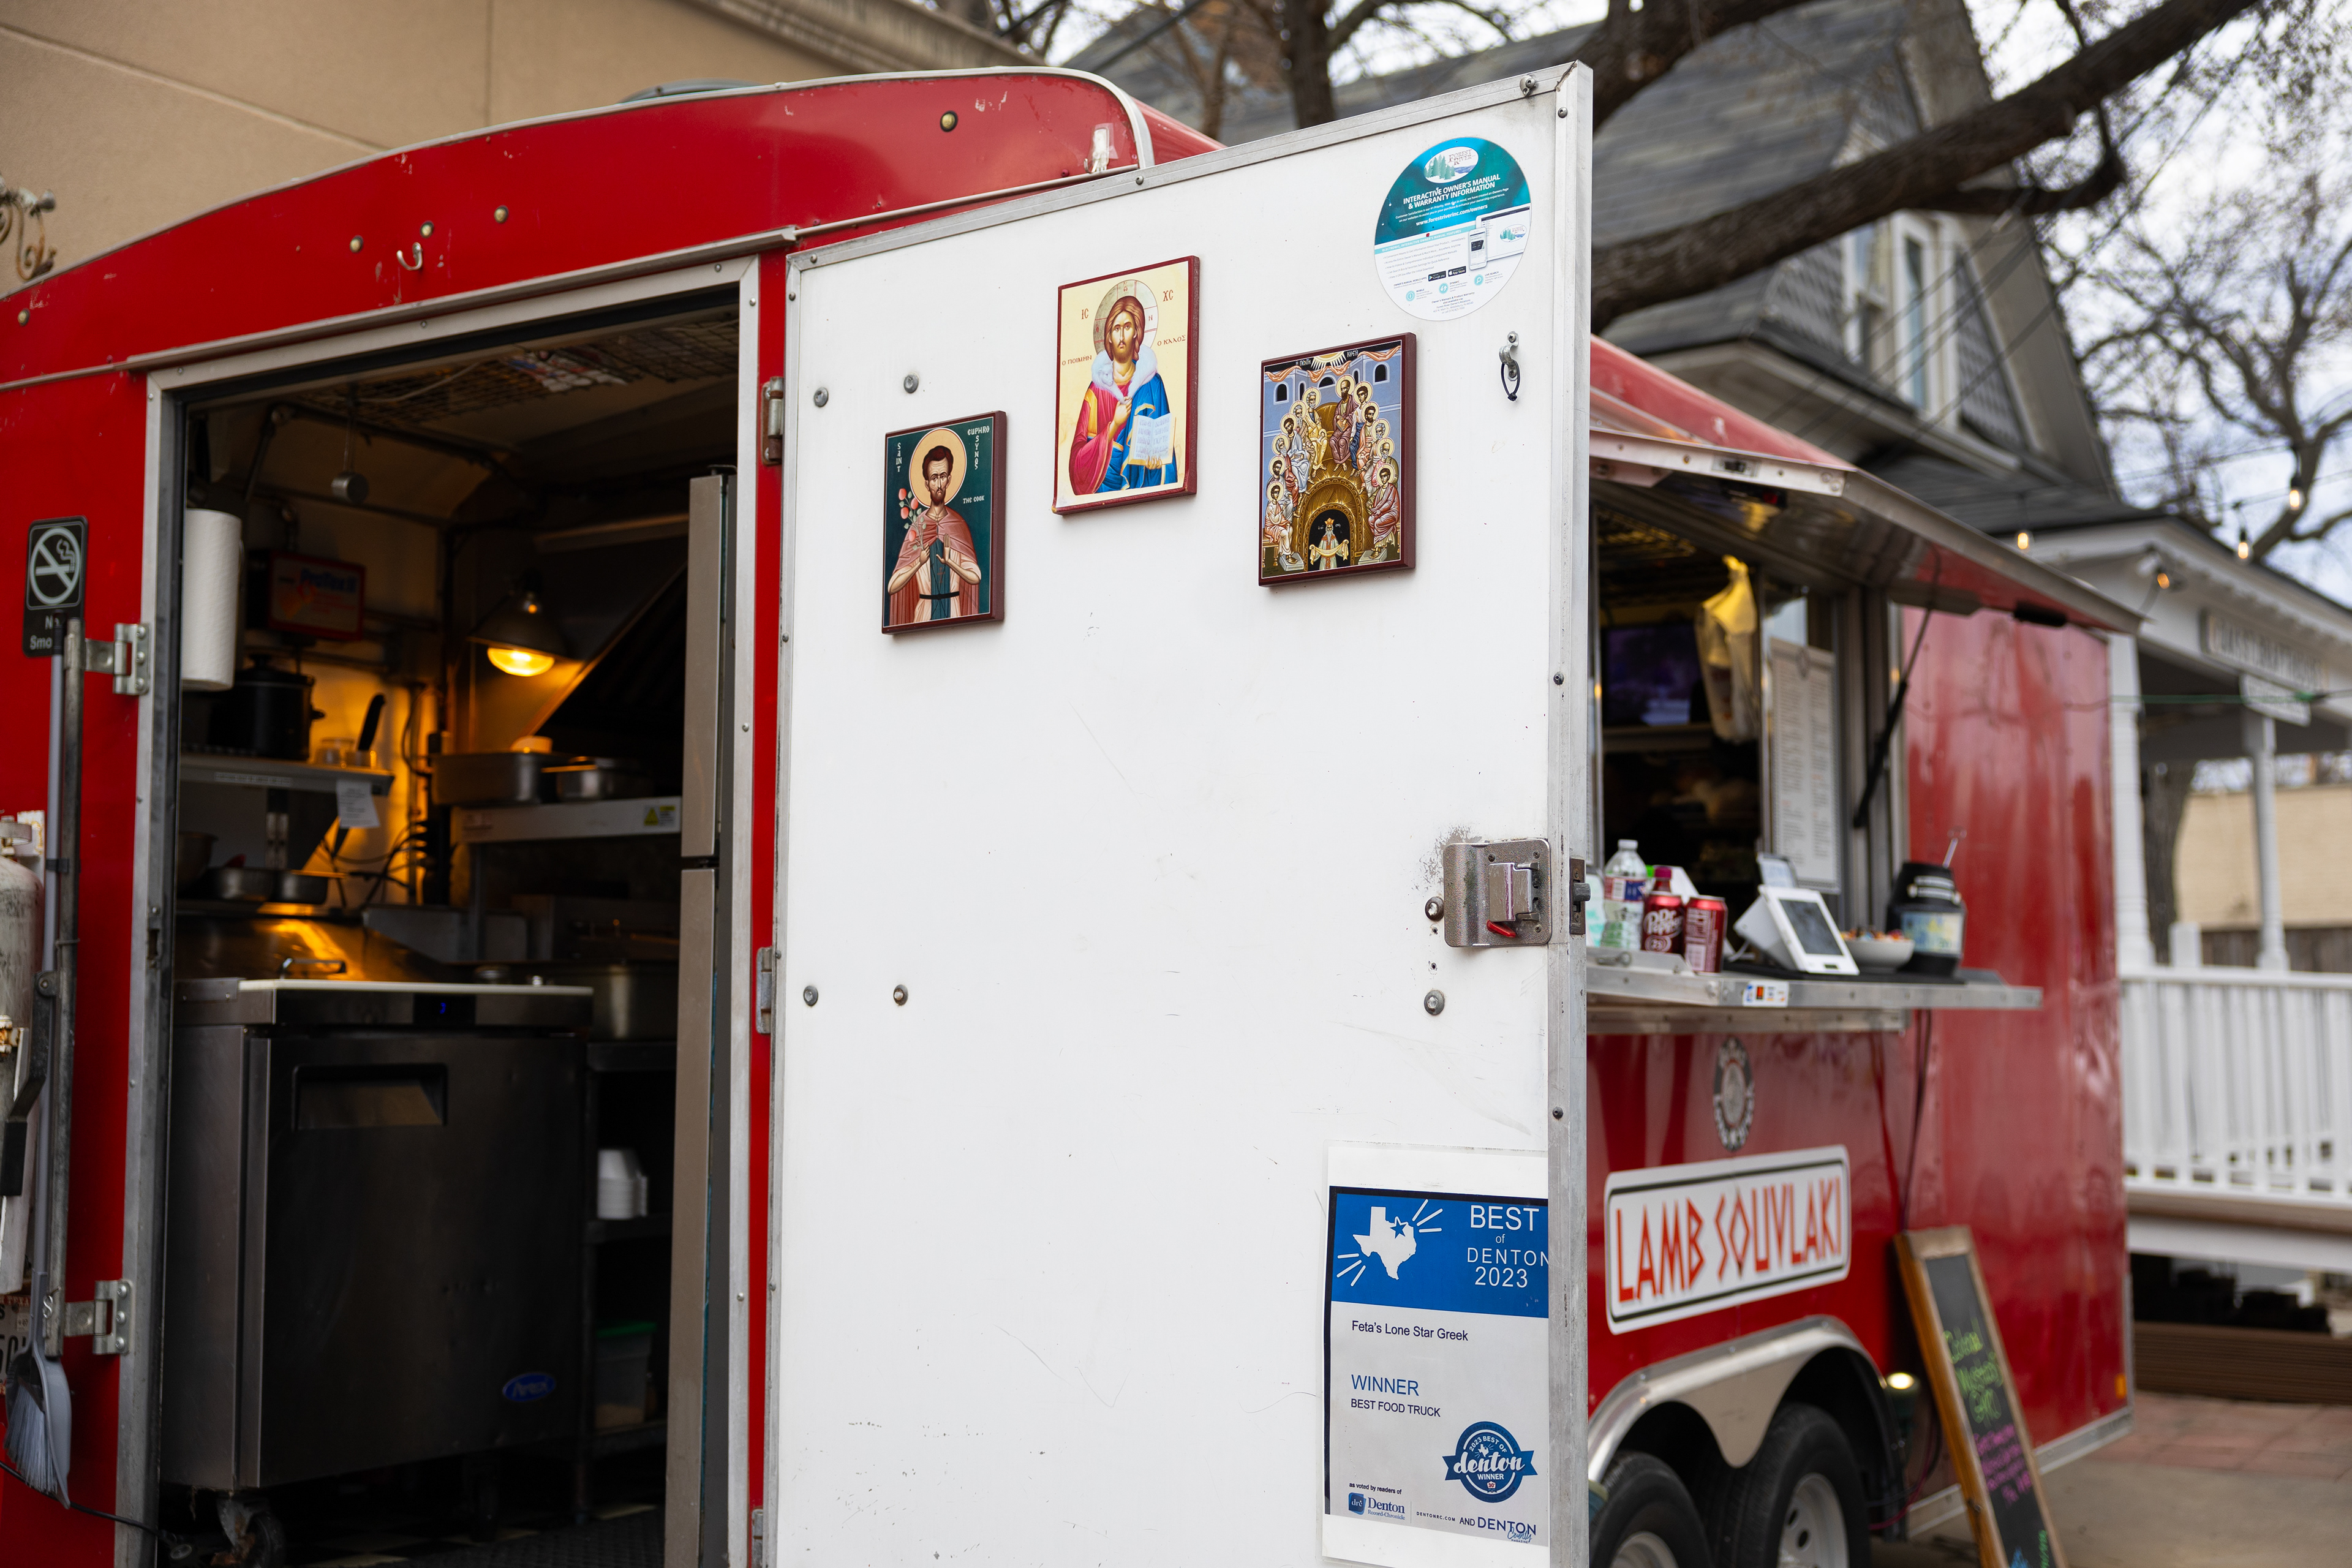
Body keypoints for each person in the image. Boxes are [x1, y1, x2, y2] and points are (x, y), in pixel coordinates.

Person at [1068, 290, 1177, 496]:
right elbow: (1076, 465)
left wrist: (1156, 467)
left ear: (1137, 332)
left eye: (1127, 327)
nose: (1121, 335)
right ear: (1108, 335)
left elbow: (1164, 450)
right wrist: (1114, 425)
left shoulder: (1152, 386)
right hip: (1101, 488)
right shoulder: (1096, 391)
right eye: (1116, 329)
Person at [887, 443, 982, 624]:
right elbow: (892, 587)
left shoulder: (958, 526)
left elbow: (976, 577)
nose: (939, 485)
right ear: (926, 483)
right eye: (934, 478)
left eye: (943, 477)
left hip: (954, 613)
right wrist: (918, 564)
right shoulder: (918, 529)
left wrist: (950, 562)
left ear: (949, 479)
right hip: (924, 615)